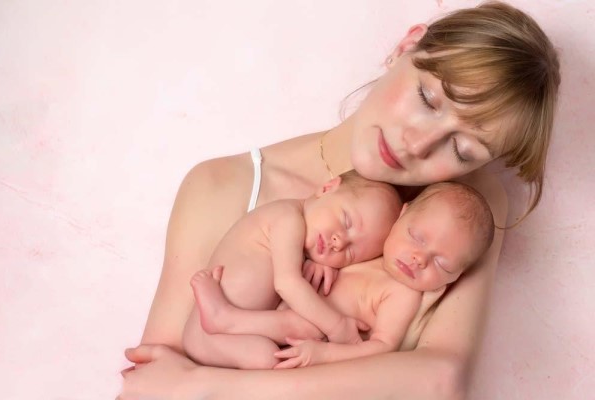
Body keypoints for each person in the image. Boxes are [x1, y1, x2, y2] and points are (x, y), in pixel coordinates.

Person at [119, 2, 560, 399]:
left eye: (462, 150)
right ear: (406, 46)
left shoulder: (462, 213)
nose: (417, 144)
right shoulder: (224, 185)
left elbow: (442, 381)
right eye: (428, 99)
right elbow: (149, 386)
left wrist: (205, 386)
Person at [191, 181, 494, 369]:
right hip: (277, 314)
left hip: (304, 336)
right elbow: (334, 249)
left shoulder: (403, 293)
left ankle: (226, 320)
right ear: (401, 217)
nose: (419, 259)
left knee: (277, 350)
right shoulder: (372, 248)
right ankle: (223, 322)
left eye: (441, 264)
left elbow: (383, 346)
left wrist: (323, 354)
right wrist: (322, 262)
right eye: (416, 237)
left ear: (455, 278)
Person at [182, 170, 402, 369]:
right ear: (327, 188)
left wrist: (316, 261)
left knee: (304, 333)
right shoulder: (287, 218)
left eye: (350, 252)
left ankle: (227, 319)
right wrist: (337, 326)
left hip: (234, 333)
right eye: (346, 221)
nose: (339, 241)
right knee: (269, 358)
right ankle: (223, 316)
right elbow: (287, 284)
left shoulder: (305, 237)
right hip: (207, 336)